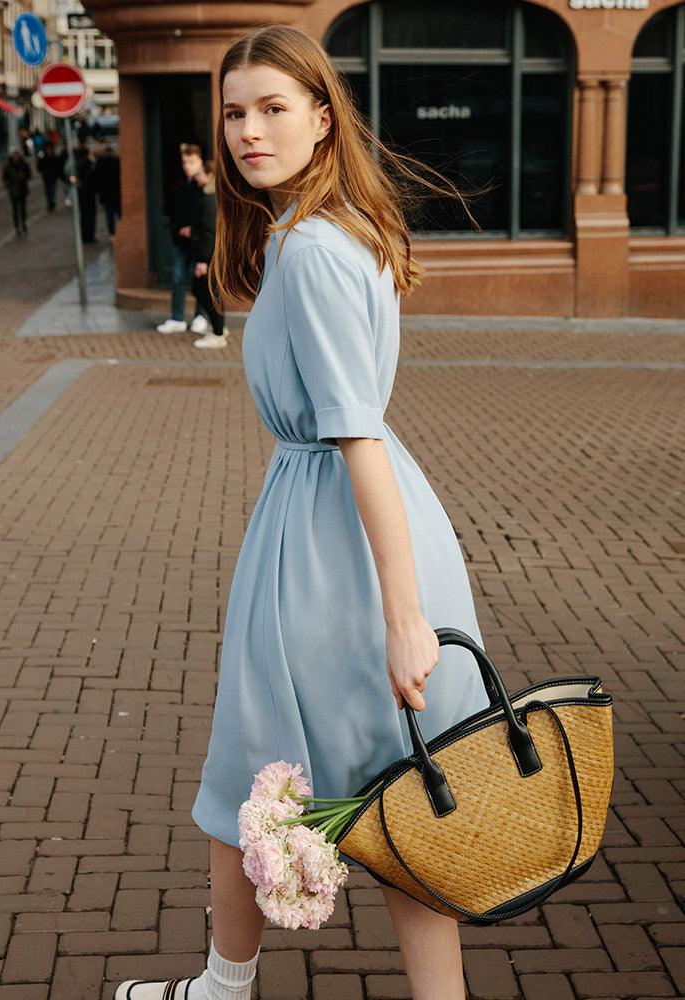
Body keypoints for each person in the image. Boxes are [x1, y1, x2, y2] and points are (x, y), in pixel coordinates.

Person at [113, 22, 488, 1000]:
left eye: (273, 108)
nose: (248, 129)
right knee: (409, 791)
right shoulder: (321, 231)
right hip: (351, 523)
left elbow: (355, 433)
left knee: (262, 772)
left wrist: (405, 618)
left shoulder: (313, 248)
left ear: (322, 118)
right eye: (235, 112)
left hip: (333, 544)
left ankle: (223, 988)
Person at [155, 142, 210, 335]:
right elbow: (170, 210)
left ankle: (201, 316)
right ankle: (177, 318)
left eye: (192, 161)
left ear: (200, 161)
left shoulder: (204, 185)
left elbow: (208, 214)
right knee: (178, 278)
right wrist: (178, 228)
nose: (187, 165)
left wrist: (193, 229)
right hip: (180, 241)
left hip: (199, 241)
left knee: (201, 279)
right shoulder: (178, 184)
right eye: (185, 161)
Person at [190, 159, 229, 348]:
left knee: (206, 291)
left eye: (199, 174)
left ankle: (218, 332)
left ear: (210, 175)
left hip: (209, 255)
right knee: (209, 291)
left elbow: (207, 232)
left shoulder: (209, 200)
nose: (196, 178)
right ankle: (218, 328)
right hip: (213, 254)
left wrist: (202, 260)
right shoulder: (213, 197)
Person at [93, 142, 121, 237]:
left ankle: (112, 233)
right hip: (116, 192)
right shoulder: (116, 161)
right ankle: (118, 231)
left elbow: (96, 179)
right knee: (118, 213)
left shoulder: (100, 162)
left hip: (106, 193)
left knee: (110, 214)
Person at [2, 148, 31, 236]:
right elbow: (5, 178)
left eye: (17, 155)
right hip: (13, 191)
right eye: (14, 155)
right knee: (15, 210)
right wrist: (9, 186)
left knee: (22, 209)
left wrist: (24, 176)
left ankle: (24, 225)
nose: (16, 157)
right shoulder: (7, 166)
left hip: (22, 190)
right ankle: (17, 227)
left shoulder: (24, 164)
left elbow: (29, 175)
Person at [73, 145, 97, 243]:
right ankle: (89, 236)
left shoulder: (79, 164)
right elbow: (90, 179)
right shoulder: (87, 164)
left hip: (83, 192)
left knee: (84, 215)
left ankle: (86, 236)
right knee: (89, 215)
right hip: (87, 192)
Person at [36, 143, 61, 211]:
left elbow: (58, 166)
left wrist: (57, 173)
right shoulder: (43, 158)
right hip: (46, 177)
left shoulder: (54, 157)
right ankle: (50, 203)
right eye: (47, 149)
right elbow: (39, 166)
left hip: (53, 177)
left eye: (50, 149)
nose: (49, 150)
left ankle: (52, 203)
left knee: (52, 190)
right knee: (47, 191)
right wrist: (43, 172)